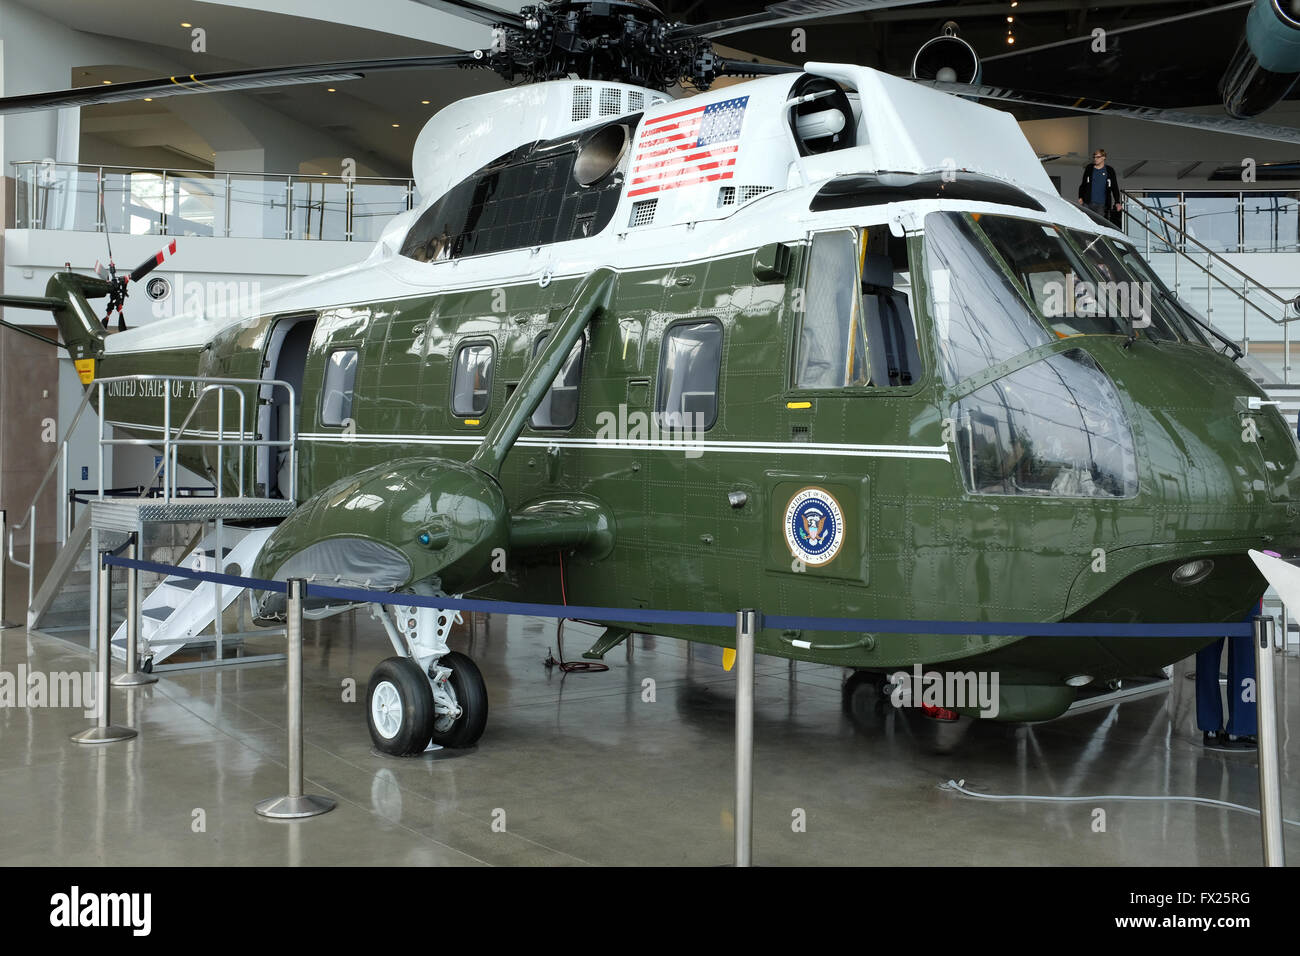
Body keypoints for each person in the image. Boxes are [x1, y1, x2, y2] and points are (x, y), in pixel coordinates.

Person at [1195, 600, 1260, 750]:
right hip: (1244, 583)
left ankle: (1210, 728)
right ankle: (1239, 729)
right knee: (1244, 654)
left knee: (1207, 653)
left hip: (1205, 586)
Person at [1077, 148, 1123, 227]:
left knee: (1098, 225)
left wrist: (1117, 202)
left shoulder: (1109, 170)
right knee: (1086, 224)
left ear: (1103, 157)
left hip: (1101, 204)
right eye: (1094, 157)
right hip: (1087, 202)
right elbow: (1083, 183)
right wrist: (1080, 197)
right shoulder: (1089, 168)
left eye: (1098, 157)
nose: (1095, 159)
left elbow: (1114, 187)